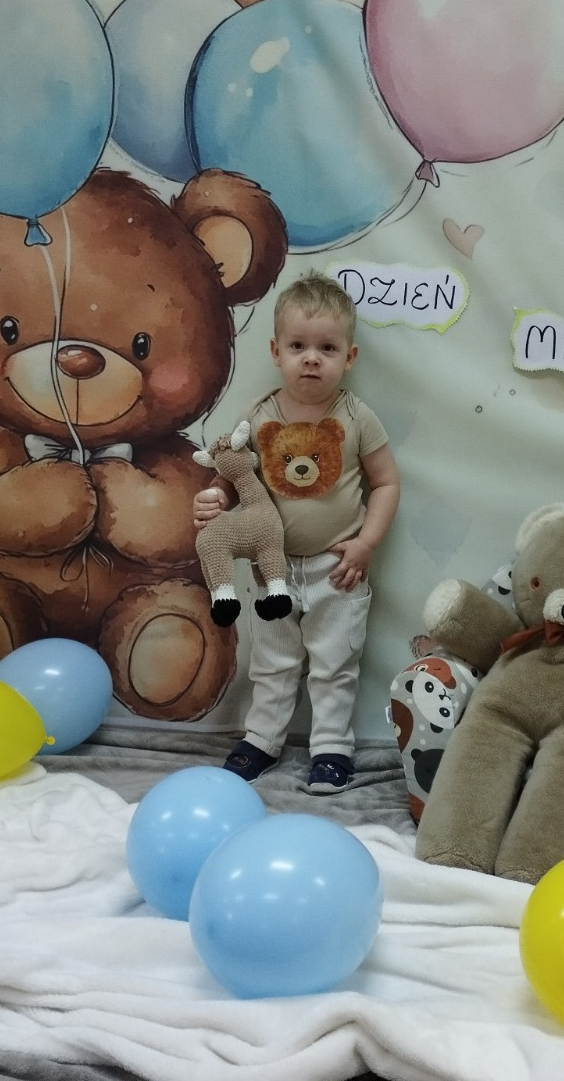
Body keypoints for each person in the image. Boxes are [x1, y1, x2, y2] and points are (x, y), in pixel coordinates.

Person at [193, 271, 401, 794]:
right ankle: (262, 738)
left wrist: (366, 543)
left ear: (349, 357)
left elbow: (386, 483)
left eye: (327, 348)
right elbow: (231, 476)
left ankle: (331, 747)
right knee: (273, 661)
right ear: (276, 351)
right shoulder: (258, 415)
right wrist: (214, 498)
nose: (311, 359)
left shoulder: (357, 416)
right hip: (273, 569)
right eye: (298, 346)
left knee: (335, 663)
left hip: (338, 569)